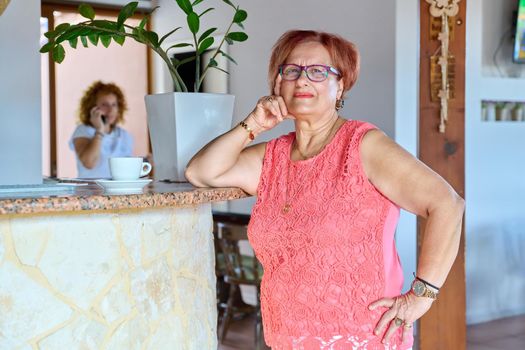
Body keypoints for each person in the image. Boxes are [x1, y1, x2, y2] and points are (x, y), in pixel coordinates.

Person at [185, 30, 464, 350]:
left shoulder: (363, 145)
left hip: (360, 335)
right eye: (291, 71)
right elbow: (201, 171)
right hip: (286, 336)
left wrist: (422, 295)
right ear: (278, 84)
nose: (302, 81)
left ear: (340, 85)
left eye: (318, 72)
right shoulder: (272, 157)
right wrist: (253, 124)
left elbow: (447, 204)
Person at [70, 81, 133, 178]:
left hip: (116, 191)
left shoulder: (124, 135)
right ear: (93, 108)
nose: (110, 110)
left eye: (114, 105)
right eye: (105, 104)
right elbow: (89, 163)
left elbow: (126, 169)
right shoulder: (83, 130)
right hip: (89, 191)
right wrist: (100, 130)